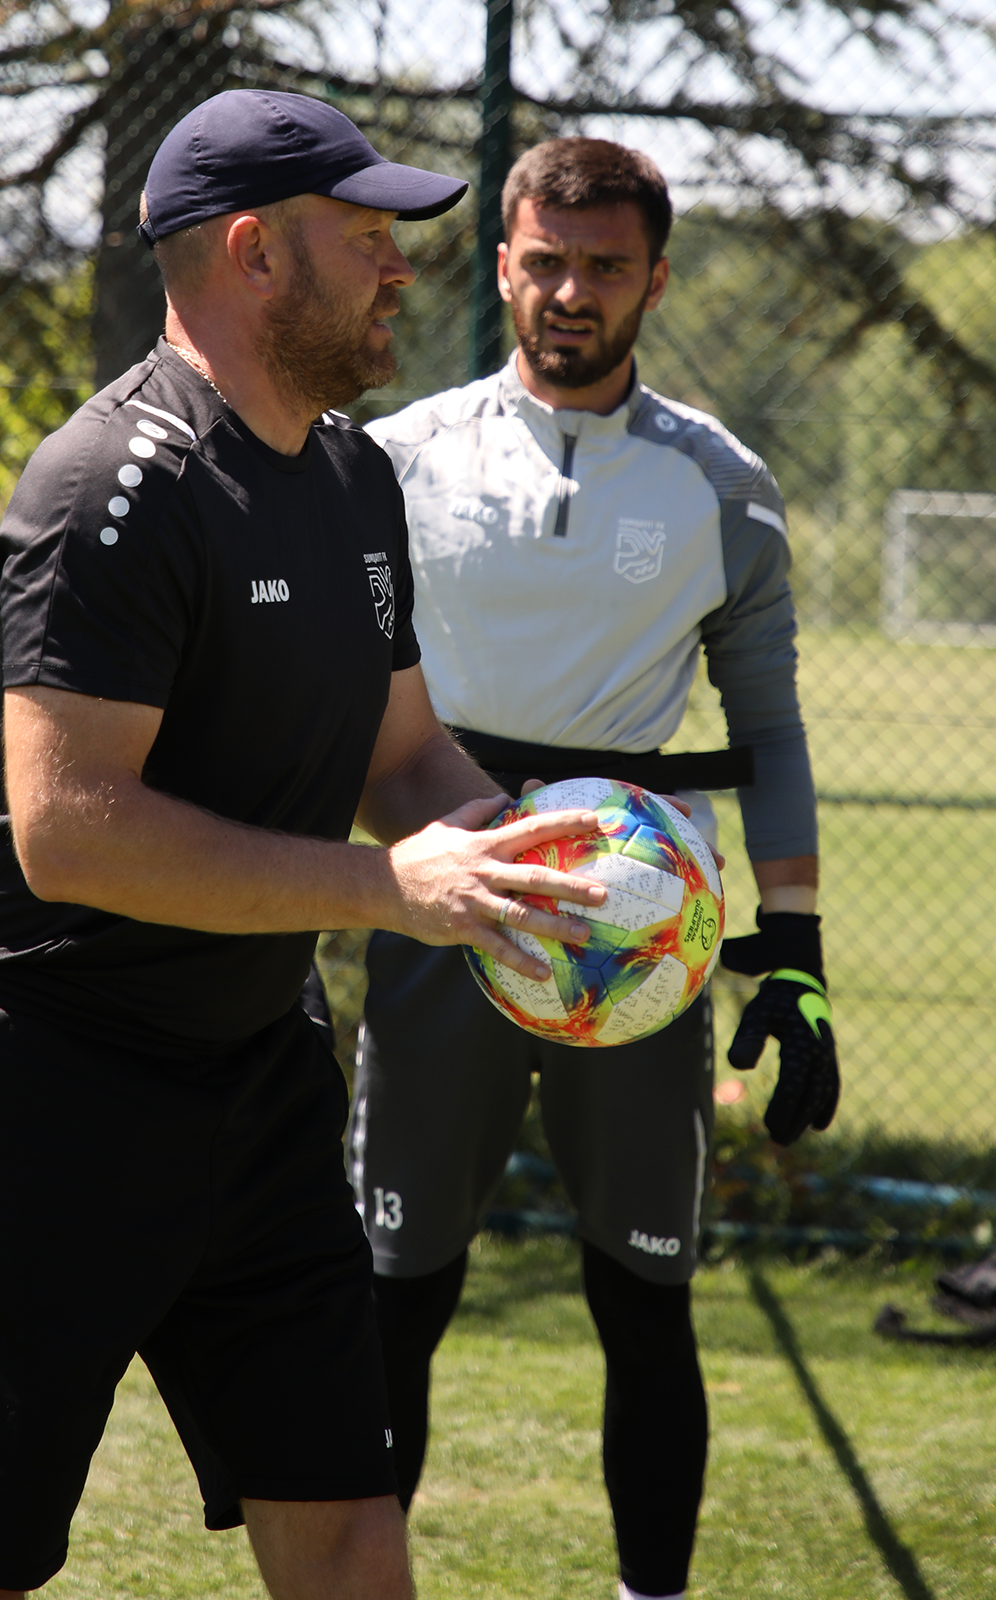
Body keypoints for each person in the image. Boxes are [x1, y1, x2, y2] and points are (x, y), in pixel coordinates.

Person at [0, 92, 617, 1600]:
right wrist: (391, 893)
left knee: (344, 1521)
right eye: (368, 236)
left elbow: (404, 755)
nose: (402, 269)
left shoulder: (353, 482)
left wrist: (538, 861)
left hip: (257, 1080)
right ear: (258, 253)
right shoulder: (109, 490)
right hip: (41, 1088)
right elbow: (71, 833)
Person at [346, 137, 840, 1600]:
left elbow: (772, 730)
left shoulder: (721, 490)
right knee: (394, 1301)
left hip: (641, 945)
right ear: (501, 263)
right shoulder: (392, 462)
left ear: (655, 280)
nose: (571, 292)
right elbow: (324, 696)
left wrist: (796, 950)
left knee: (645, 1294)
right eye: (544, 262)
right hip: (441, 914)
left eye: (605, 267)